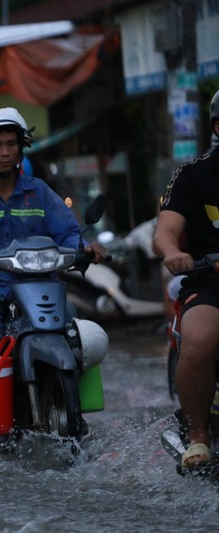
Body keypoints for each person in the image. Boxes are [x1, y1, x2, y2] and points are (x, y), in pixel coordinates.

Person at [0, 107, 107, 447]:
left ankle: (75, 409)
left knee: (72, 326)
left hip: (35, 283)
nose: (4, 152)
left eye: (11, 145)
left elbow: (67, 234)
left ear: (21, 148)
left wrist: (85, 247)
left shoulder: (40, 192)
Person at [152, 89, 219, 470]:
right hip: (209, 282)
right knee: (199, 338)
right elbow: (165, 230)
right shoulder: (193, 175)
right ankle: (198, 435)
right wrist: (173, 252)